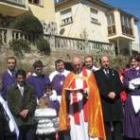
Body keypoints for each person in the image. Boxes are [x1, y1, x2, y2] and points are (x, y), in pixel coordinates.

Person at [59, 56, 106, 140]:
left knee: (87, 128)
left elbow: (95, 91)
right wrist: (68, 93)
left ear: (82, 64)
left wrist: (85, 92)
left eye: (79, 65)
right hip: (74, 109)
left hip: (87, 106)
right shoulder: (69, 76)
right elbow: (64, 94)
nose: (77, 67)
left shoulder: (89, 74)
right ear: (72, 65)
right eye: (75, 65)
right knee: (76, 131)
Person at [94, 56, 123, 140]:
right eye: (104, 62)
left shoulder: (114, 72)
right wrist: (107, 94)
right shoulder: (96, 74)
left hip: (115, 102)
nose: (106, 63)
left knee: (117, 126)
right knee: (106, 128)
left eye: (107, 61)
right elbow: (97, 87)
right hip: (104, 102)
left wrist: (115, 93)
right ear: (100, 63)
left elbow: (119, 85)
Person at [6, 69, 37, 140]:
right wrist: (19, 112)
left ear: (25, 78)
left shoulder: (30, 88)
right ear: (16, 78)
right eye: (19, 78)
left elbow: (33, 101)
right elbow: (10, 104)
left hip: (29, 120)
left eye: (23, 78)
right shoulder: (10, 89)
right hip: (17, 121)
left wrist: (27, 110)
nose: (21, 80)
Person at [123, 55, 140, 140]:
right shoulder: (127, 72)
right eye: (132, 61)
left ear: (138, 62)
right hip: (131, 97)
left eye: (135, 61)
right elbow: (125, 84)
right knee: (132, 119)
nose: (133, 63)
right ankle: (132, 136)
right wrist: (132, 84)